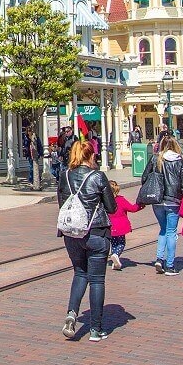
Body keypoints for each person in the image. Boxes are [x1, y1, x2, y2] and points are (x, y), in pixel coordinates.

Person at [58, 140, 116, 342]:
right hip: (96, 232)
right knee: (97, 280)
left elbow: (61, 204)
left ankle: (72, 313)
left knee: (79, 273)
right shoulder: (98, 176)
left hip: (72, 234)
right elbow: (112, 207)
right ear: (91, 156)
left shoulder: (64, 175)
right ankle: (95, 329)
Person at [142, 136, 183, 275]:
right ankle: (170, 265)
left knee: (163, 229)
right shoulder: (180, 161)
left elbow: (144, 177)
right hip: (173, 200)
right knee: (171, 232)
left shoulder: (156, 159)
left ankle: (159, 259)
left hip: (157, 199)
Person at [107, 181, 141, 271]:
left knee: (113, 243)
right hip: (121, 226)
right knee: (121, 243)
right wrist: (140, 205)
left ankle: (115, 260)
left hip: (110, 226)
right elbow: (132, 208)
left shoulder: (104, 201)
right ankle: (116, 255)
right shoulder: (121, 200)